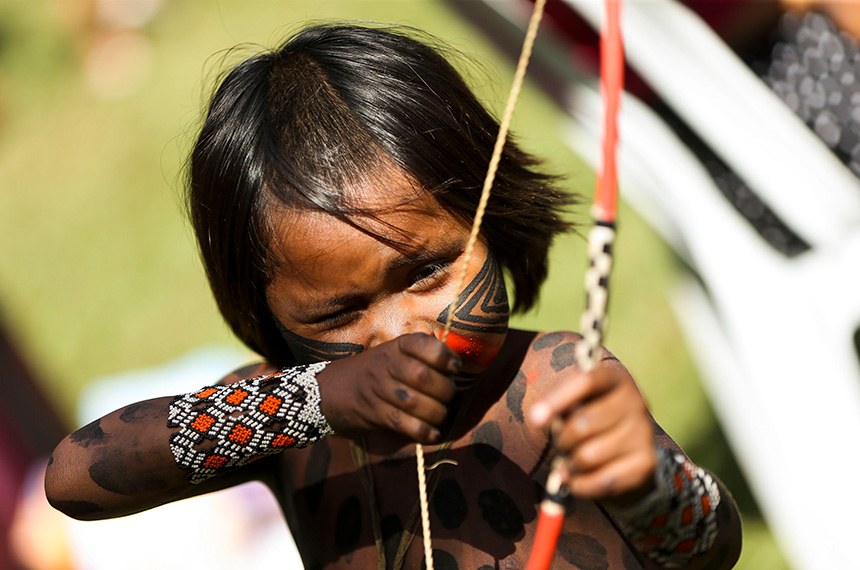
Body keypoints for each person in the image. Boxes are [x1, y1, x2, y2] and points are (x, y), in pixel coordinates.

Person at [44, 24, 742, 569]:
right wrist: (319, 400)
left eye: (427, 273)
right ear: (269, 317)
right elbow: (75, 475)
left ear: (491, 223)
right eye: (338, 313)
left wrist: (650, 486)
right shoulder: (293, 422)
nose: (399, 333)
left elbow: (707, 548)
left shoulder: (553, 384)